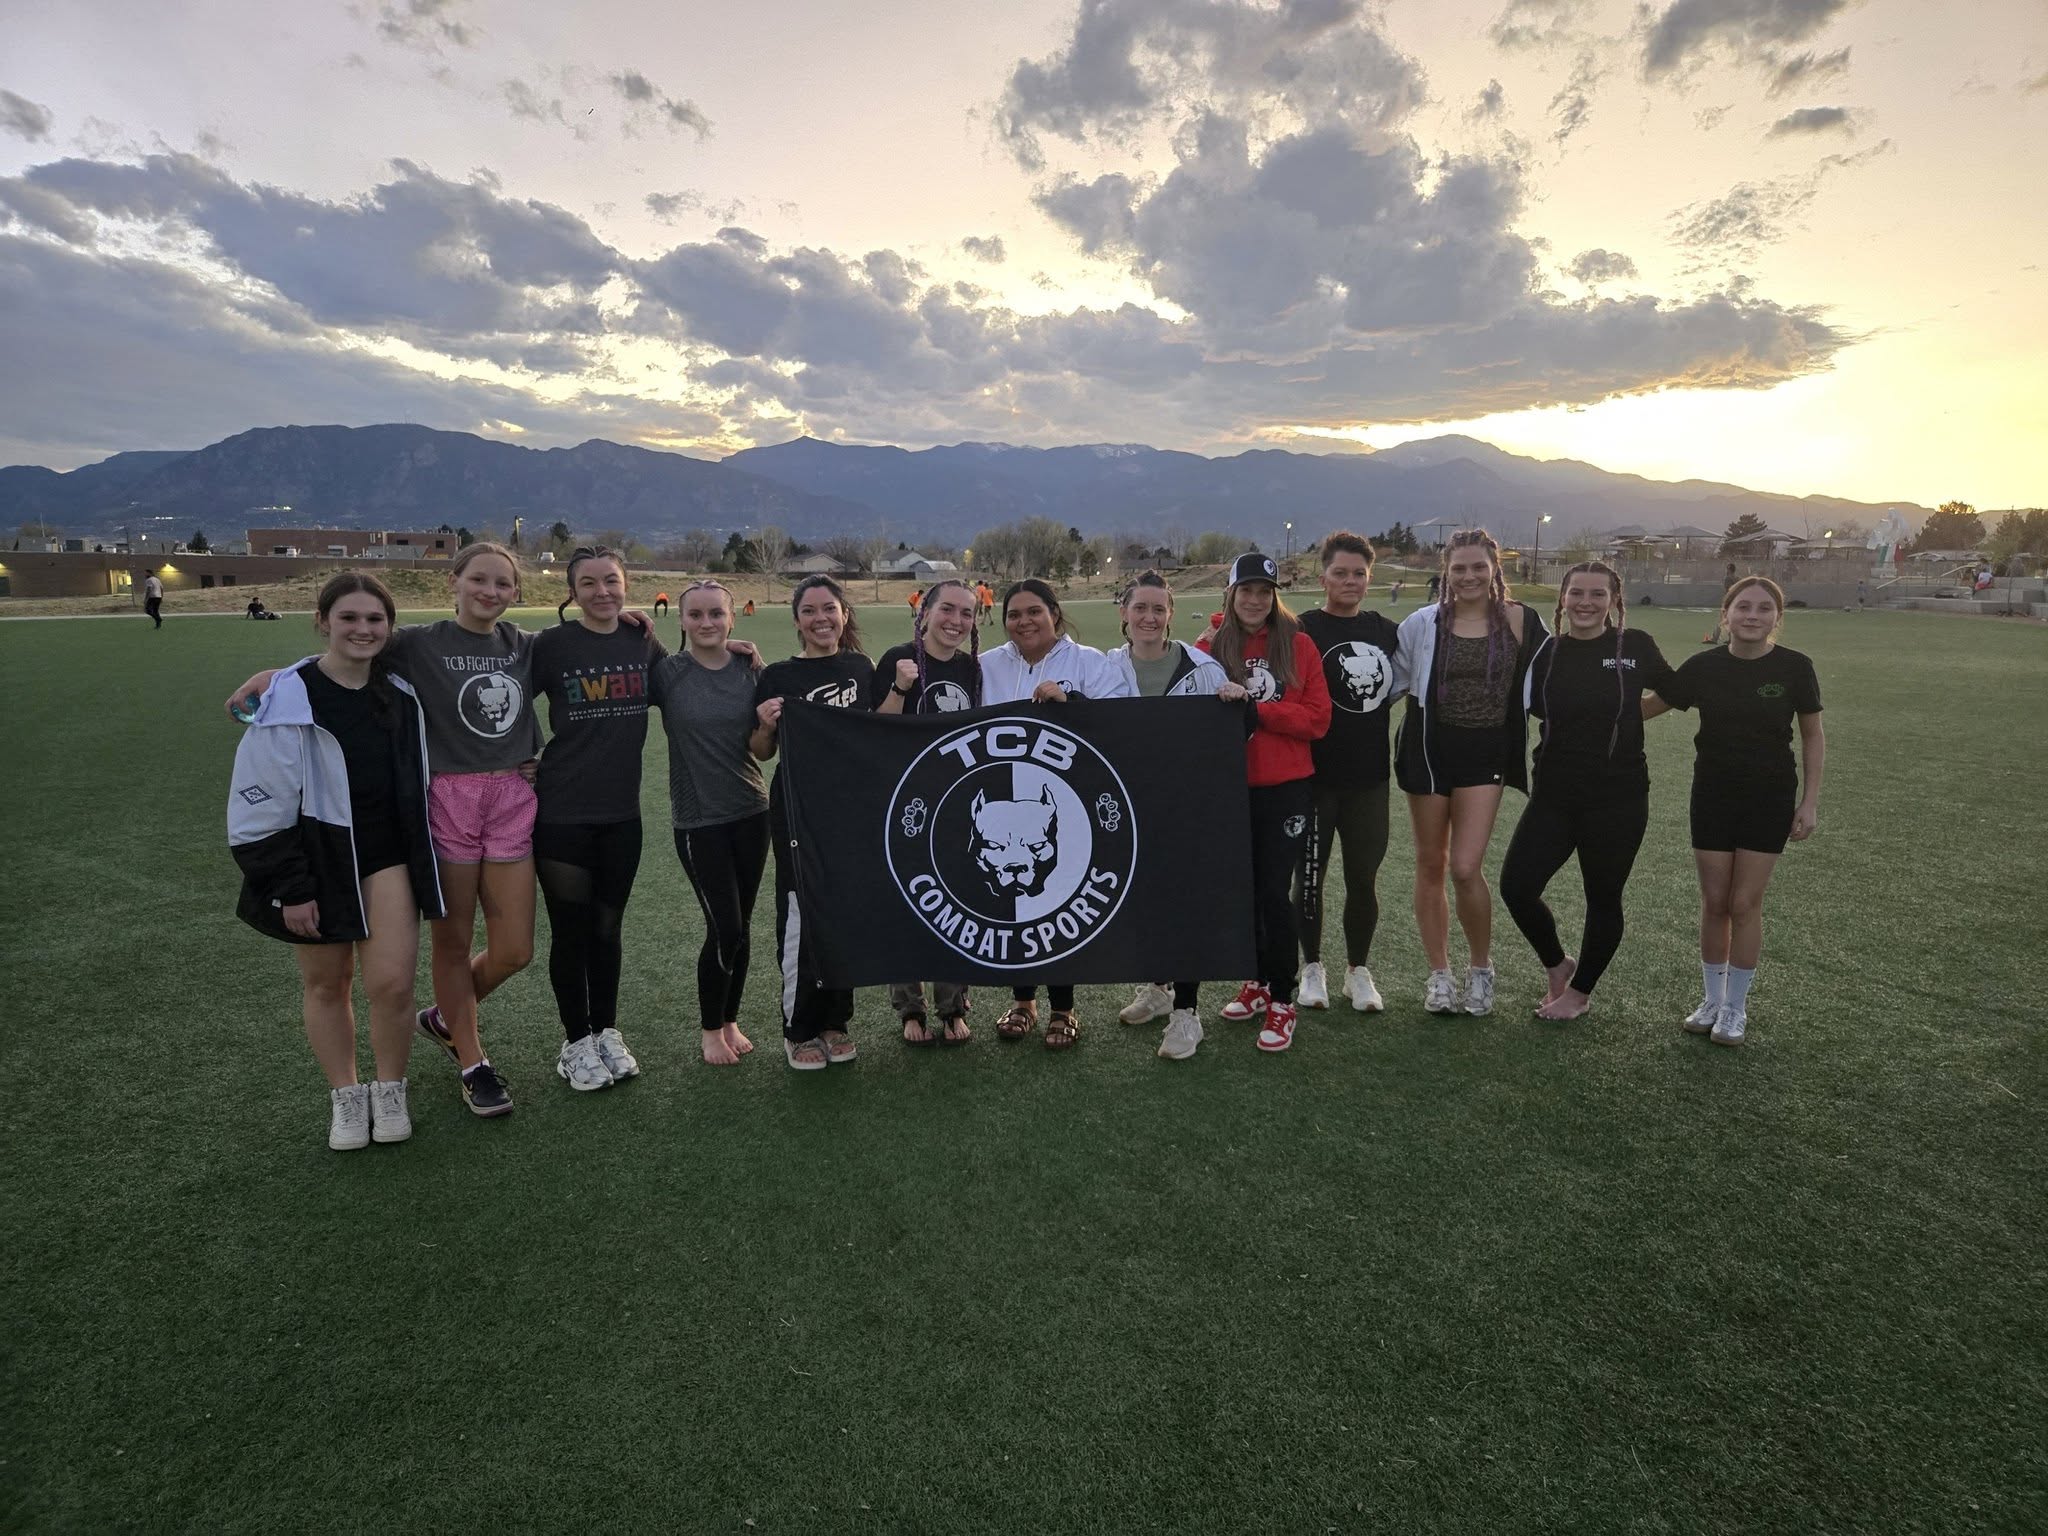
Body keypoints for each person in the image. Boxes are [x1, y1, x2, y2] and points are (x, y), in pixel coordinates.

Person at [227, 542, 548, 1116]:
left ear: (517, 592)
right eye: (478, 579)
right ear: (454, 581)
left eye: (503, 583)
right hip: (446, 802)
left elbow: (585, 653)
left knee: (515, 949)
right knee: (448, 945)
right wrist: (277, 675)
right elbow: (346, 653)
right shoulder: (418, 643)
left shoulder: (524, 646)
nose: (490, 591)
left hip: (506, 800)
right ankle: (472, 1062)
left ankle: (445, 1017)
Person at [227, 572, 443, 1151]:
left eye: (375, 619)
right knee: (328, 984)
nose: (362, 629)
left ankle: (390, 1089)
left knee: (394, 985)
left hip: (387, 858)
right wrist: (290, 888)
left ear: (389, 629)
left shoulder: (402, 693)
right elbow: (257, 808)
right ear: (323, 622)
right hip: (316, 860)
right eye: (348, 618)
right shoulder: (284, 700)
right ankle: (347, 1097)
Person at [1646, 576, 1824, 1047]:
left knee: (1744, 903)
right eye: (1742, 606)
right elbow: (1649, 707)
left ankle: (1736, 1007)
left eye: (1764, 609)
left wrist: (1809, 801)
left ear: (1776, 619)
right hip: (1712, 793)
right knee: (1715, 902)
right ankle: (1711, 1000)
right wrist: (1591, 700)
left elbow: (1812, 735)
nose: (1752, 615)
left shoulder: (1794, 668)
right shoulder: (1704, 667)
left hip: (1769, 796)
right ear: (1725, 615)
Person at [1499, 561, 1677, 1022]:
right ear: (1562, 599)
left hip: (1618, 798)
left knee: (1603, 897)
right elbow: (1528, 709)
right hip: (1554, 796)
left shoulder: (1634, 646)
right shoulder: (1548, 653)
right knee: (1517, 886)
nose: (1585, 602)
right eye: (1576, 592)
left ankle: (1579, 993)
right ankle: (1559, 966)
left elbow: (1677, 690)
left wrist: (1634, 716)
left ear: (1614, 602)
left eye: (1598, 594)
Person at [1391, 529, 1548, 1016]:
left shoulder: (1521, 621)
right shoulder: (1423, 622)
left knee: (1464, 867)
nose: (1469, 576)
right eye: (1459, 567)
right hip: (1428, 750)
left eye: (1478, 566)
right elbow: (1389, 680)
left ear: (1494, 568)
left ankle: (1482, 969)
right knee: (1429, 863)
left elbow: (1556, 680)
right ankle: (1439, 975)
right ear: (1447, 571)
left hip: (1486, 755)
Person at [529, 548, 663, 1091]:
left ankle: (607, 1031)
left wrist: (737, 648)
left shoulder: (642, 641)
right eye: (589, 583)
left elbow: (686, 678)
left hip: (621, 814)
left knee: (608, 928)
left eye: (611, 581)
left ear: (626, 585)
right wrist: (526, 751)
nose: (602, 592)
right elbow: (505, 699)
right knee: (571, 931)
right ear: (572, 591)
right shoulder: (552, 645)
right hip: (562, 812)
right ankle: (576, 1042)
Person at [980, 579, 1134, 1048]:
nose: (1023, 621)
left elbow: (1124, 719)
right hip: (1004, 803)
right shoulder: (985, 666)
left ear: (1054, 614)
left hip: (1066, 803)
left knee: (1058, 898)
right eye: (1014, 614)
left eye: (1034, 612)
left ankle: (1063, 1008)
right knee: (1014, 904)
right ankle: (1023, 1001)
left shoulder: (1089, 661)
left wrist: (1074, 704)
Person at [1204, 554, 1332, 1053]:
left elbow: (1317, 720)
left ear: (1275, 595)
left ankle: (1283, 999)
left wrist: (1257, 708)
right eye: (1245, 591)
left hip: (1285, 787)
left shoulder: (1298, 645)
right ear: (1231, 595)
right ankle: (1257, 982)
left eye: (1264, 591)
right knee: (1243, 893)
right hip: (1229, 788)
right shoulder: (1210, 646)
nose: (1255, 600)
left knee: (1273, 895)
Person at [1107, 570, 1234, 1060]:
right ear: (1124, 613)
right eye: (1140, 608)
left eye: (1159, 609)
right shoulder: (1104, 670)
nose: (1149, 617)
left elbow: (1227, 743)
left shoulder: (1204, 670)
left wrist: (1232, 705)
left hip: (1186, 812)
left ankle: (1188, 1012)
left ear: (1171, 615)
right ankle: (1158, 989)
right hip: (1130, 812)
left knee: (1185, 907)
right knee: (1146, 906)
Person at [750, 575, 875, 1069]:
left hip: (853, 809)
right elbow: (761, 752)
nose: (821, 619)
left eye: (830, 609)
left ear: (844, 614)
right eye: (810, 611)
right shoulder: (779, 675)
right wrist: (764, 723)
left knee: (845, 910)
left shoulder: (862, 667)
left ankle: (834, 1021)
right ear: (797, 619)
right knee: (801, 910)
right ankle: (798, 1027)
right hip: (798, 806)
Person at [656, 580, 771, 1067]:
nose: (707, 623)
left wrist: (766, 726)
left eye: (716, 615)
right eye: (696, 615)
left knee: (741, 927)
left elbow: (761, 749)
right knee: (723, 926)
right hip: (699, 821)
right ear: (680, 620)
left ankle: (730, 1019)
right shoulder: (667, 673)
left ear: (732, 619)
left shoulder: (750, 670)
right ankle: (709, 1031)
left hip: (752, 812)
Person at [872, 578, 983, 1045]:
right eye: (948, 610)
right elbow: (876, 729)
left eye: (967, 613)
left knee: (956, 904)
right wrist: (900, 687)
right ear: (925, 612)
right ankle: (909, 1009)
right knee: (906, 905)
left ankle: (952, 1006)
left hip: (955, 802)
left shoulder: (972, 669)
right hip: (904, 804)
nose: (956, 621)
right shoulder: (897, 659)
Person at [1292, 532, 1400, 1015]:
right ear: (1324, 578)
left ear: (1369, 578)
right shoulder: (1301, 628)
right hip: (1313, 777)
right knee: (1309, 878)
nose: (1350, 581)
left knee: (1363, 877)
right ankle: (1310, 967)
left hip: (1370, 779)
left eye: (1359, 573)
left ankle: (1358, 969)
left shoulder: (1386, 630)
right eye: (1341, 573)